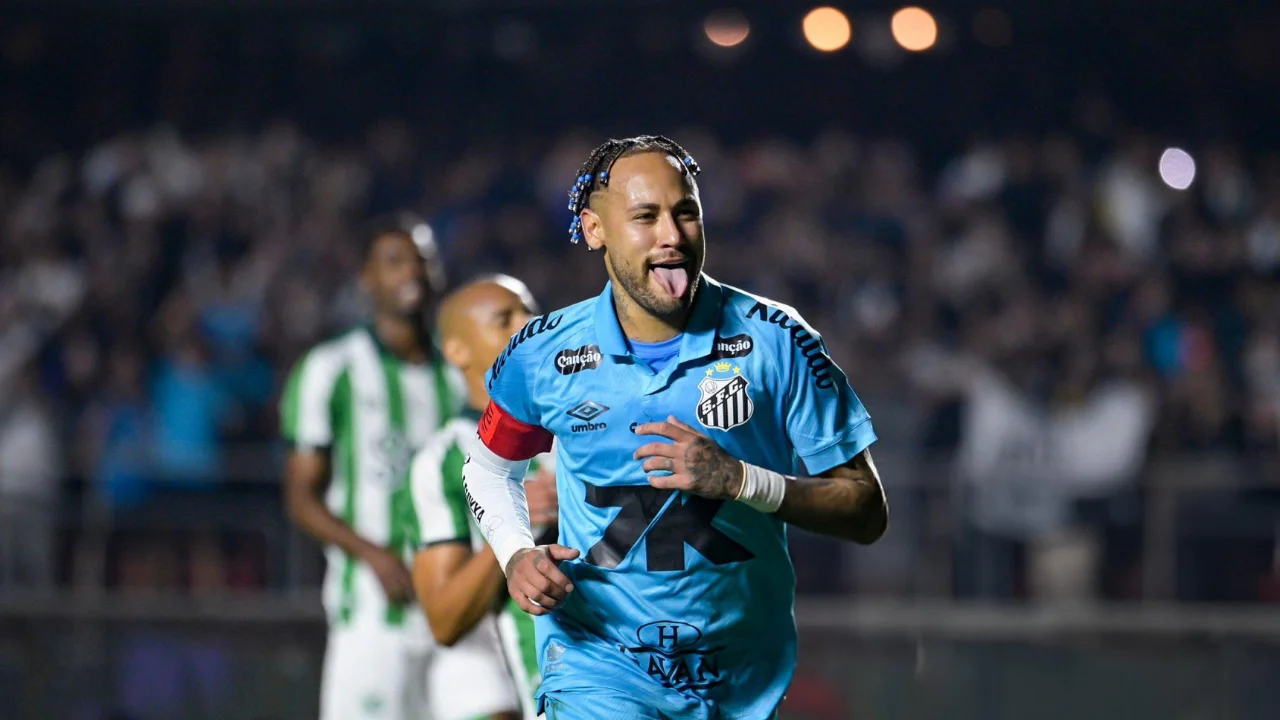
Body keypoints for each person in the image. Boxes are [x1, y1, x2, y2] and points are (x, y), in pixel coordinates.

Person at [463, 135, 889, 719]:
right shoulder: (542, 354)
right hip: (597, 662)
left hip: (740, 676)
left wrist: (741, 480)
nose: (673, 236)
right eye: (646, 217)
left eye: (686, 212)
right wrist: (515, 553)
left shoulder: (778, 339)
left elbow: (866, 509)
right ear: (595, 230)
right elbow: (488, 470)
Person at [281, 214, 458, 720]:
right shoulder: (330, 369)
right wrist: (374, 555)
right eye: (395, 261)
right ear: (367, 277)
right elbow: (301, 497)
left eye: (422, 261)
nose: (413, 273)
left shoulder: (461, 373)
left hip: (458, 610)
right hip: (370, 613)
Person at [409, 275, 559, 720]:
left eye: (529, 311)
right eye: (504, 319)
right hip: (552, 686)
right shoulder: (444, 459)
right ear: (458, 351)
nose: (528, 324)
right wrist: (513, 524)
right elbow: (445, 619)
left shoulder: (586, 419)